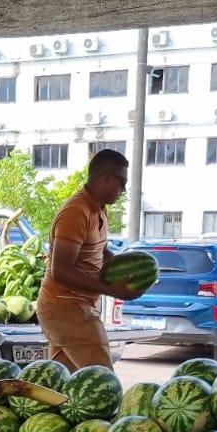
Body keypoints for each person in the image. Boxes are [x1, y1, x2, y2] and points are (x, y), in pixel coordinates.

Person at [37, 148, 136, 370]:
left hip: (77, 306)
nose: (124, 189)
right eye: (121, 182)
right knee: (102, 381)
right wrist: (114, 291)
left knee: (62, 383)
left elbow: (99, 252)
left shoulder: (99, 210)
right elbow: (60, 271)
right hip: (65, 307)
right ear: (105, 179)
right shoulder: (76, 212)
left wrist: (124, 268)